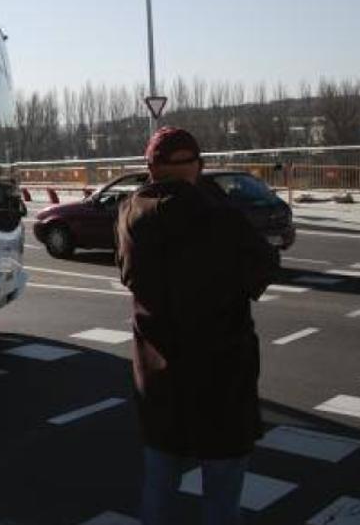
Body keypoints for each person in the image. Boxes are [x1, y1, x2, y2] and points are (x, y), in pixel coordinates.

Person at [116, 126, 278, 525]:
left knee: (159, 488)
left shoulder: (128, 215)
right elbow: (262, 268)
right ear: (192, 167)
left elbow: (128, 273)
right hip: (220, 378)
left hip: (159, 377)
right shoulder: (219, 217)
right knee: (221, 496)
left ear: (150, 168)